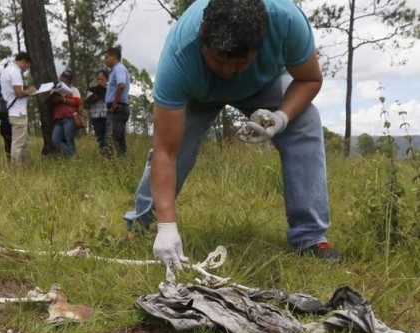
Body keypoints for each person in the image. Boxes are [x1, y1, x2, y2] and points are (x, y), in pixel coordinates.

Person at [124, 0, 343, 269]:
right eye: (218, 60)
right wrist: (168, 225)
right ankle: (140, 228)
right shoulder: (179, 57)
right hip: (199, 91)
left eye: (240, 63)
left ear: (260, 45)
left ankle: (310, 237)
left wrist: (281, 118)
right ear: (203, 36)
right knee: (177, 147)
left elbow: (310, 79)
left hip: (262, 85)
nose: (228, 72)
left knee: (306, 120)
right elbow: (165, 152)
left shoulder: (287, 22)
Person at [0, 52, 36, 165]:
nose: (26, 69)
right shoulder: (15, 72)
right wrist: (30, 91)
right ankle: (15, 169)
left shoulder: (6, 70)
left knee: (22, 142)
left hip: (12, 111)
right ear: (24, 61)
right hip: (18, 112)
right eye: (27, 66)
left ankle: (24, 167)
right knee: (18, 143)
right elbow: (19, 93)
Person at [104, 46, 130, 156]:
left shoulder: (119, 69)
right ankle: (123, 165)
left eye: (106, 57)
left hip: (117, 109)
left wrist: (114, 104)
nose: (105, 60)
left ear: (114, 57)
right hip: (118, 109)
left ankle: (110, 168)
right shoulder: (115, 70)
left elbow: (121, 85)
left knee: (110, 139)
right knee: (119, 141)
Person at [50, 70, 82, 158]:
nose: (63, 79)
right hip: (58, 119)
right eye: (62, 77)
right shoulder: (55, 90)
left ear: (69, 80)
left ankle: (72, 159)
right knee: (55, 140)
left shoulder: (73, 90)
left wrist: (63, 100)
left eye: (66, 78)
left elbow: (77, 102)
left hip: (69, 118)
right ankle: (72, 155)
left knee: (69, 141)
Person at [84, 69, 108, 152]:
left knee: (108, 139)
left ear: (107, 80)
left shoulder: (110, 90)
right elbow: (86, 106)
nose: (100, 81)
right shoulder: (91, 91)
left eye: (102, 79)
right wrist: (92, 99)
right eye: (98, 79)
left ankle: (109, 157)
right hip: (96, 118)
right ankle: (103, 157)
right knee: (100, 139)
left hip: (107, 117)